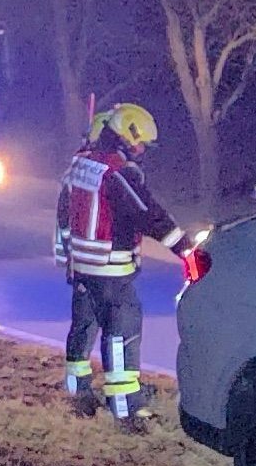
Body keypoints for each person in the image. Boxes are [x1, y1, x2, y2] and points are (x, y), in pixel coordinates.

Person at [56, 102, 188, 430]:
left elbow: (64, 214)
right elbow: (148, 213)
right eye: (140, 142)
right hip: (110, 266)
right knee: (122, 331)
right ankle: (126, 406)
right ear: (126, 135)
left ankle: (77, 390)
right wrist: (186, 249)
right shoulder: (116, 171)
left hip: (82, 265)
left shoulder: (80, 164)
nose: (142, 149)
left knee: (84, 325)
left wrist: (69, 259)